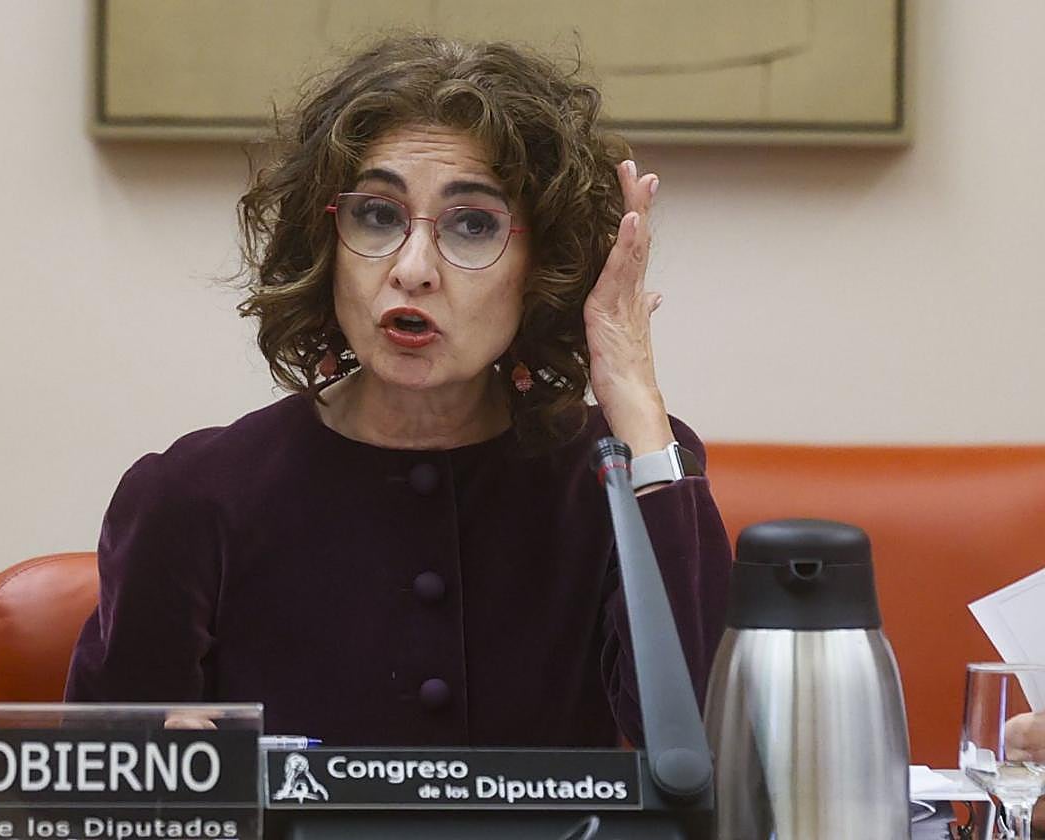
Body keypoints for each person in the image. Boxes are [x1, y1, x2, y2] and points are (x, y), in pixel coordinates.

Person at [64, 35, 732, 748]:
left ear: (545, 264)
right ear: (327, 247)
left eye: (472, 224)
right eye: (378, 215)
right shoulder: (192, 496)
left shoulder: (619, 474)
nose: (412, 269)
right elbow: (88, 805)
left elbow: (707, 756)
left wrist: (631, 392)